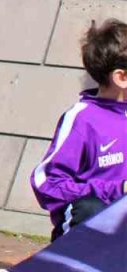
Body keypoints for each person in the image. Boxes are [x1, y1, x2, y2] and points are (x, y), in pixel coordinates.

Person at [31, 18, 127, 241]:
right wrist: (115, 190)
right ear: (121, 77)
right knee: (89, 208)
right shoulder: (82, 119)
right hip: (91, 234)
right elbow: (45, 183)